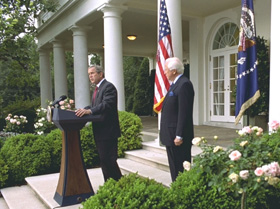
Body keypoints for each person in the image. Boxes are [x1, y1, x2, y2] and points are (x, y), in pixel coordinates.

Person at [75, 65, 122, 182]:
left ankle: (119, 184)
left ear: (100, 74)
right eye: (89, 74)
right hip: (100, 131)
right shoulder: (97, 89)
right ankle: (110, 185)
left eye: (92, 73)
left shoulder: (108, 87)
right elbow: (95, 106)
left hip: (108, 131)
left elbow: (106, 105)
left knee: (109, 160)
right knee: (104, 160)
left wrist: (89, 111)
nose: (90, 76)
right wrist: (83, 110)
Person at [160, 57, 195, 182]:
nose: (164, 72)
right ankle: (177, 188)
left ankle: (181, 190)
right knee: (174, 167)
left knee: (180, 168)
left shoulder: (184, 84)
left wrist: (179, 135)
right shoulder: (175, 85)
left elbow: (184, 112)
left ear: (174, 71)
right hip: (170, 134)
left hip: (178, 136)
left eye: (166, 70)